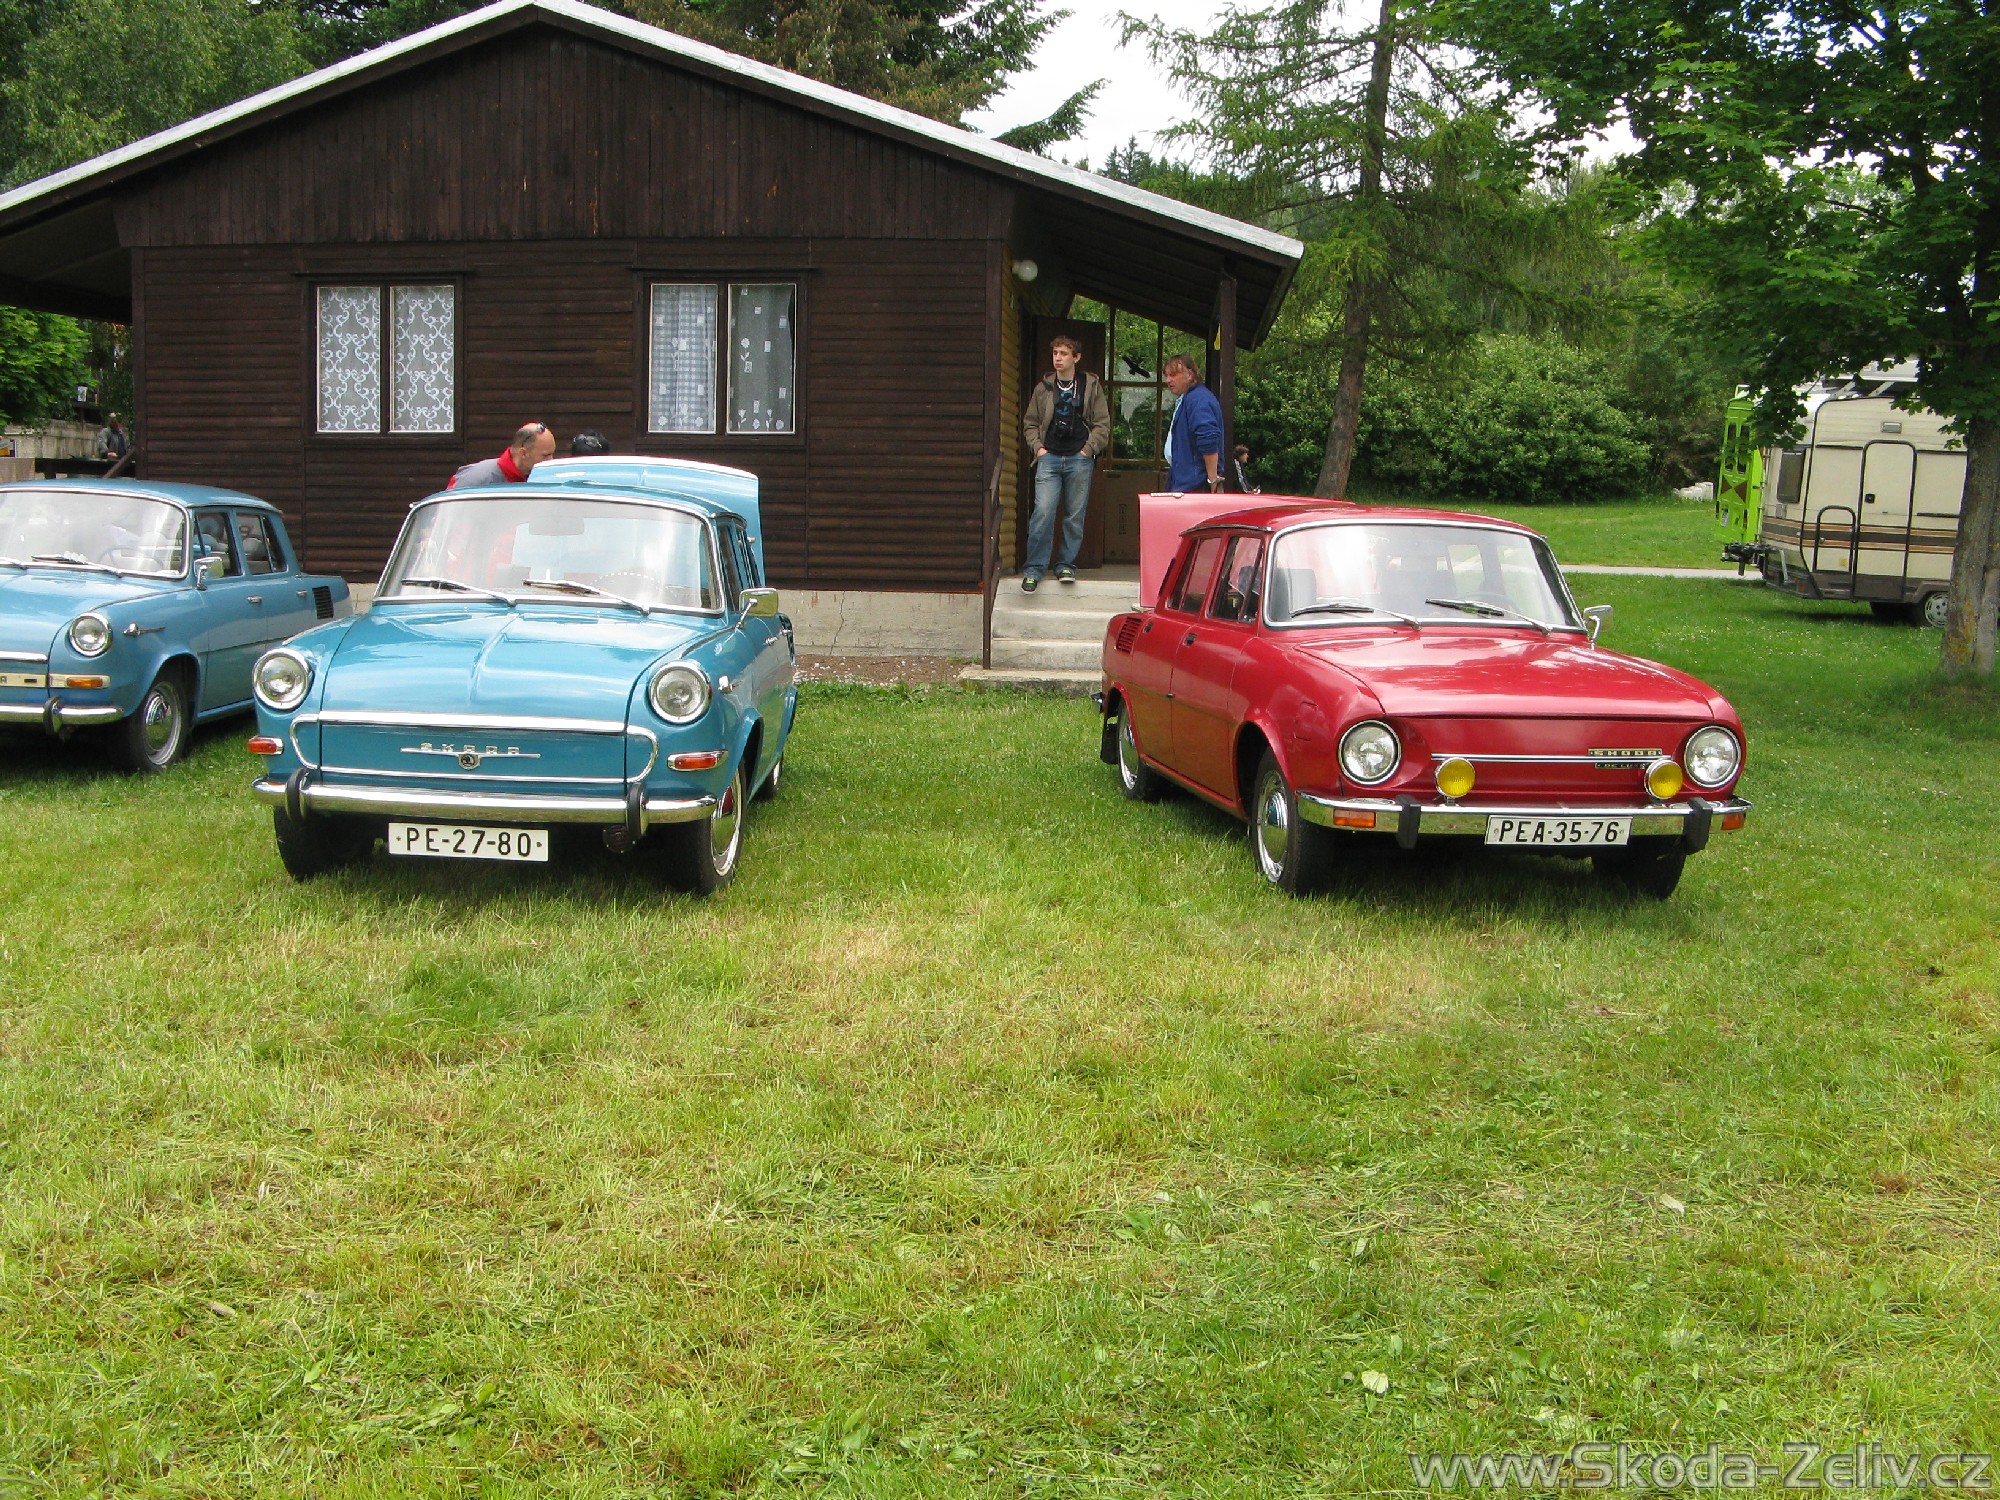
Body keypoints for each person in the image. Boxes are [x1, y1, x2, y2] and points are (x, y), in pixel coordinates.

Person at [1019, 335, 1111, 590]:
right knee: (1043, 512)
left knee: (1074, 516)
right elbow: (1030, 423)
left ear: (1076, 357)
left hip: (1079, 459)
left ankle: (1066, 565)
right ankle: (1034, 569)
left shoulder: (1090, 386)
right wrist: (1038, 449)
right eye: (1055, 353)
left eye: (1063, 354)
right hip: (1049, 458)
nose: (1058, 358)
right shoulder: (1043, 388)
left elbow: (1102, 424)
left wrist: (1087, 450)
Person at [1162, 355, 1224, 494]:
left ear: (1190, 375)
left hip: (1195, 486)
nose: (1168, 380)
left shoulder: (1198, 400)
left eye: (1173, 375)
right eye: (1167, 375)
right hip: (1187, 482)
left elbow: (1208, 439)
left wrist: (1212, 480)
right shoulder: (1191, 399)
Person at [448, 422, 556, 489]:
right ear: (523, 453)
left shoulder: (545, 479)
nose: (551, 460)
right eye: (545, 456)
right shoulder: (474, 481)